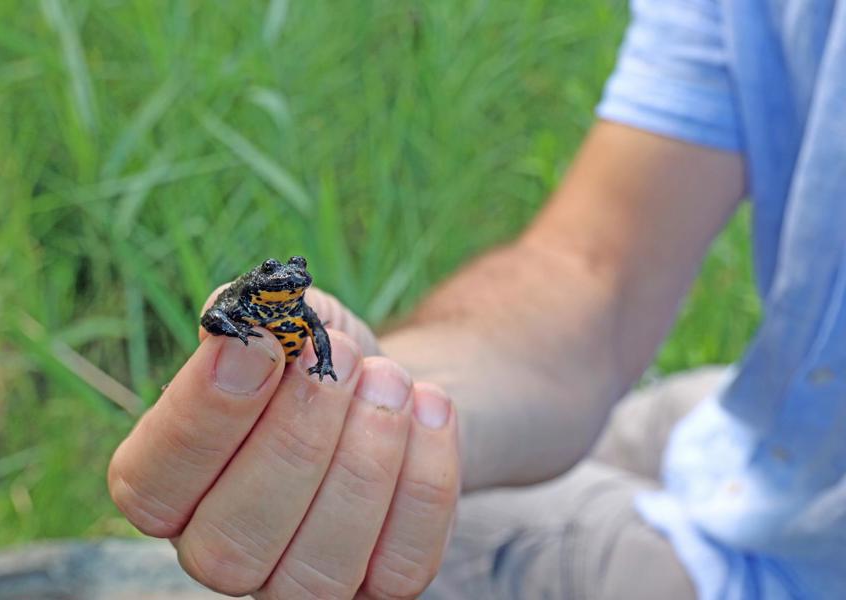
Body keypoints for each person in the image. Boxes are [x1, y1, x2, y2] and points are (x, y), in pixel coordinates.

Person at [108, 0, 846, 597]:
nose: (288, 288)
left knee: (376, 546)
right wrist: (382, 394)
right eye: (282, 280)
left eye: (290, 283)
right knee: (358, 492)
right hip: (772, 433)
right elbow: (594, 270)